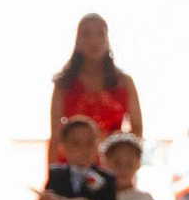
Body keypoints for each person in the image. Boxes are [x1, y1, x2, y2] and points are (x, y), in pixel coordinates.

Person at [46, 13, 141, 157]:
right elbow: (56, 137)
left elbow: (137, 131)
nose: (94, 41)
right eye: (86, 34)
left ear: (107, 39)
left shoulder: (124, 83)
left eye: (100, 34)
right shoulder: (64, 84)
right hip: (73, 167)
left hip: (112, 166)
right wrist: (54, 177)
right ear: (78, 40)